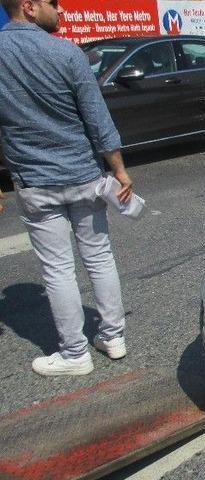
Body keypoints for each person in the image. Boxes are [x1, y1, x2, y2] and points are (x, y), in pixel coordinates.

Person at [0, 0, 133, 375]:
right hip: (84, 176)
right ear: (28, 6)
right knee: (99, 257)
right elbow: (97, 118)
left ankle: (75, 354)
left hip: (35, 182)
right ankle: (113, 336)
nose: (60, 10)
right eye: (52, 4)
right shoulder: (67, 53)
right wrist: (119, 170)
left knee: (57, 270)